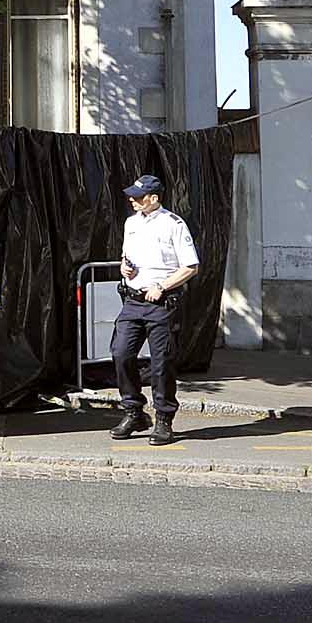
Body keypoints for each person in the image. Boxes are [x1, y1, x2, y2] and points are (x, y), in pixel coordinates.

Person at [110, 174, 198, 446]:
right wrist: (125, 267)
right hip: (133, 301)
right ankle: (133, 411)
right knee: (121, 352)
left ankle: (163, 419)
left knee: (161, 364)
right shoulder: (131, 223)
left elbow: (190, 267)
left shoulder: (174, 224)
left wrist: (162, 286)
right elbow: (128, 256)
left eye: (138, 197)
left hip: (161, 304)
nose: (132, 200)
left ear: (154, 198)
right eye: (131, 196)